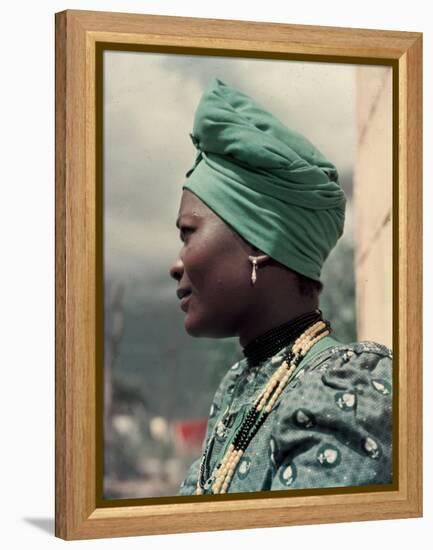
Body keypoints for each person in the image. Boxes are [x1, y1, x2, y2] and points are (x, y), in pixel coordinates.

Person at [169, 78, 392, 496]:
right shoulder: (242, 386)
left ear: (260, 242)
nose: (175, 264)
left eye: (188, 233)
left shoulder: (346, 396)